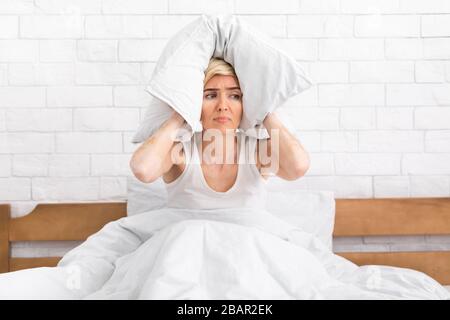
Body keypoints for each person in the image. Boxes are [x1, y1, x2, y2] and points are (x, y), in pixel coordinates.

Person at [130, 57, 310, 209]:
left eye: (234, 96)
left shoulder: (257, 151)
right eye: (210, 95)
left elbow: (298, 167)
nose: (223, 106)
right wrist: (179, 115)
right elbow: (143, 169)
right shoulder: (181, 151)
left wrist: (265, 112)